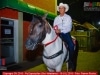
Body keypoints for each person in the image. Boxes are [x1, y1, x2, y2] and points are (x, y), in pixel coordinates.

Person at [53, 3, 75, 71]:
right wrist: (56, 30)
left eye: (62, 8)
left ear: (65, 9)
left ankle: (70, 61)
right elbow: (54, 26)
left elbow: (69, 28)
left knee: (71, 45)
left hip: (65, 34)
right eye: (59, 8)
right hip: (57, 34)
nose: (60, 9)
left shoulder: (68, 17)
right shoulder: (56, 18)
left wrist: (61, 30)